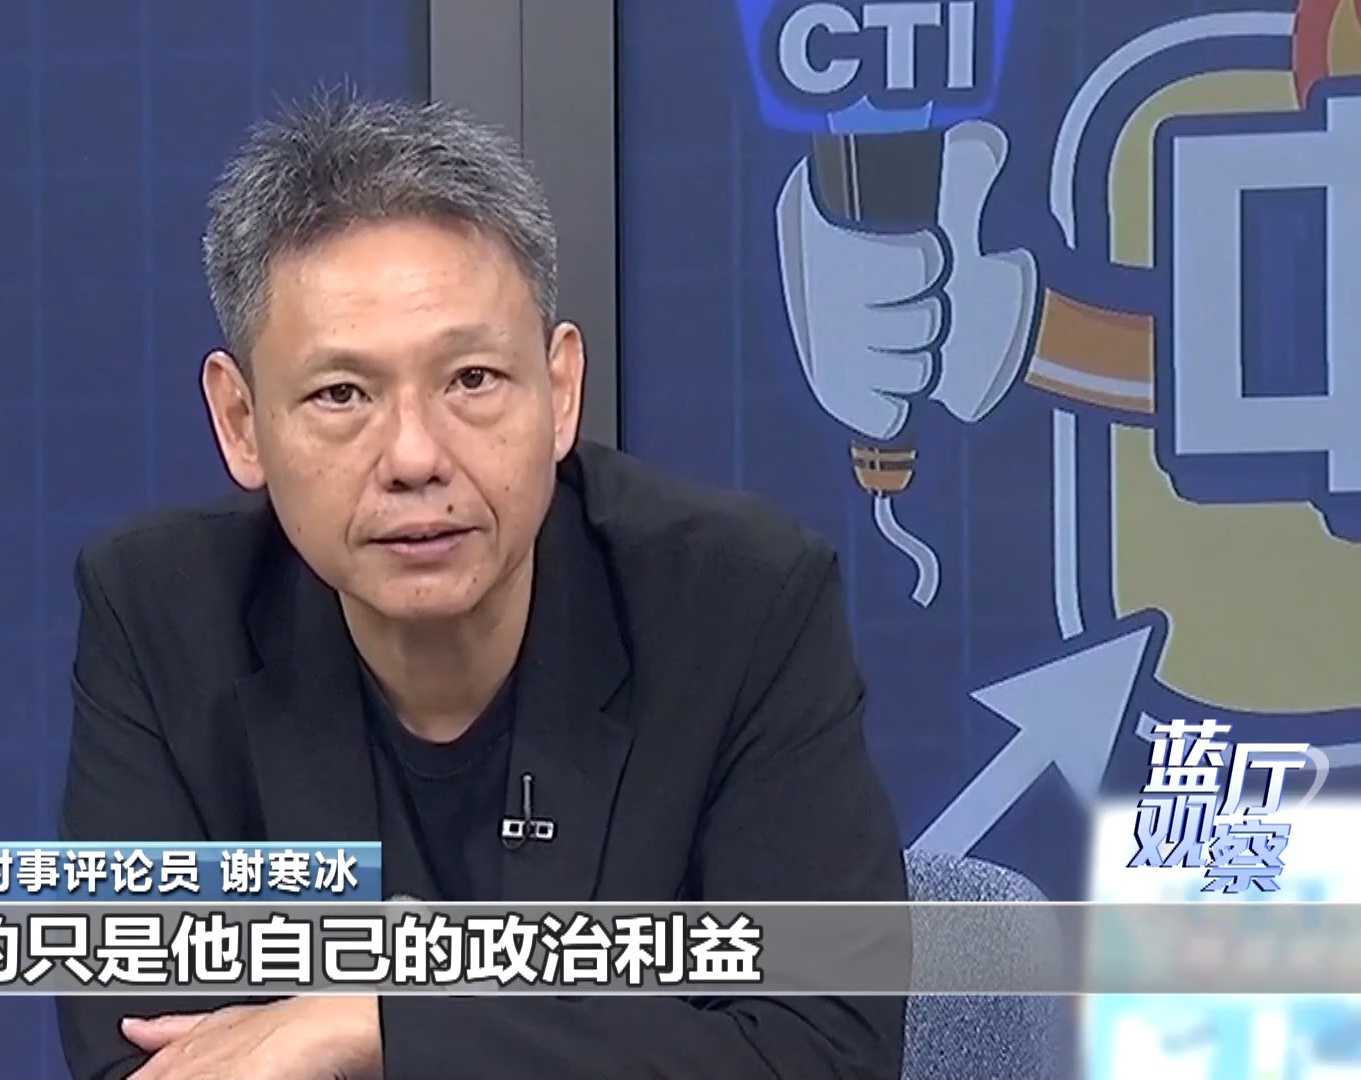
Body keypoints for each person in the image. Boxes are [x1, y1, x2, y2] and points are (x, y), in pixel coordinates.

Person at [58, 93, 908, 1080]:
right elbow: (146, 1054)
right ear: (242, 422)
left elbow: (827, 1049)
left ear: (560, 390)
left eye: (471, 380)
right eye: (342, 394)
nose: (415, 457)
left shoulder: (738, 606)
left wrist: (379, 1024)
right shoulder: (161, 616)